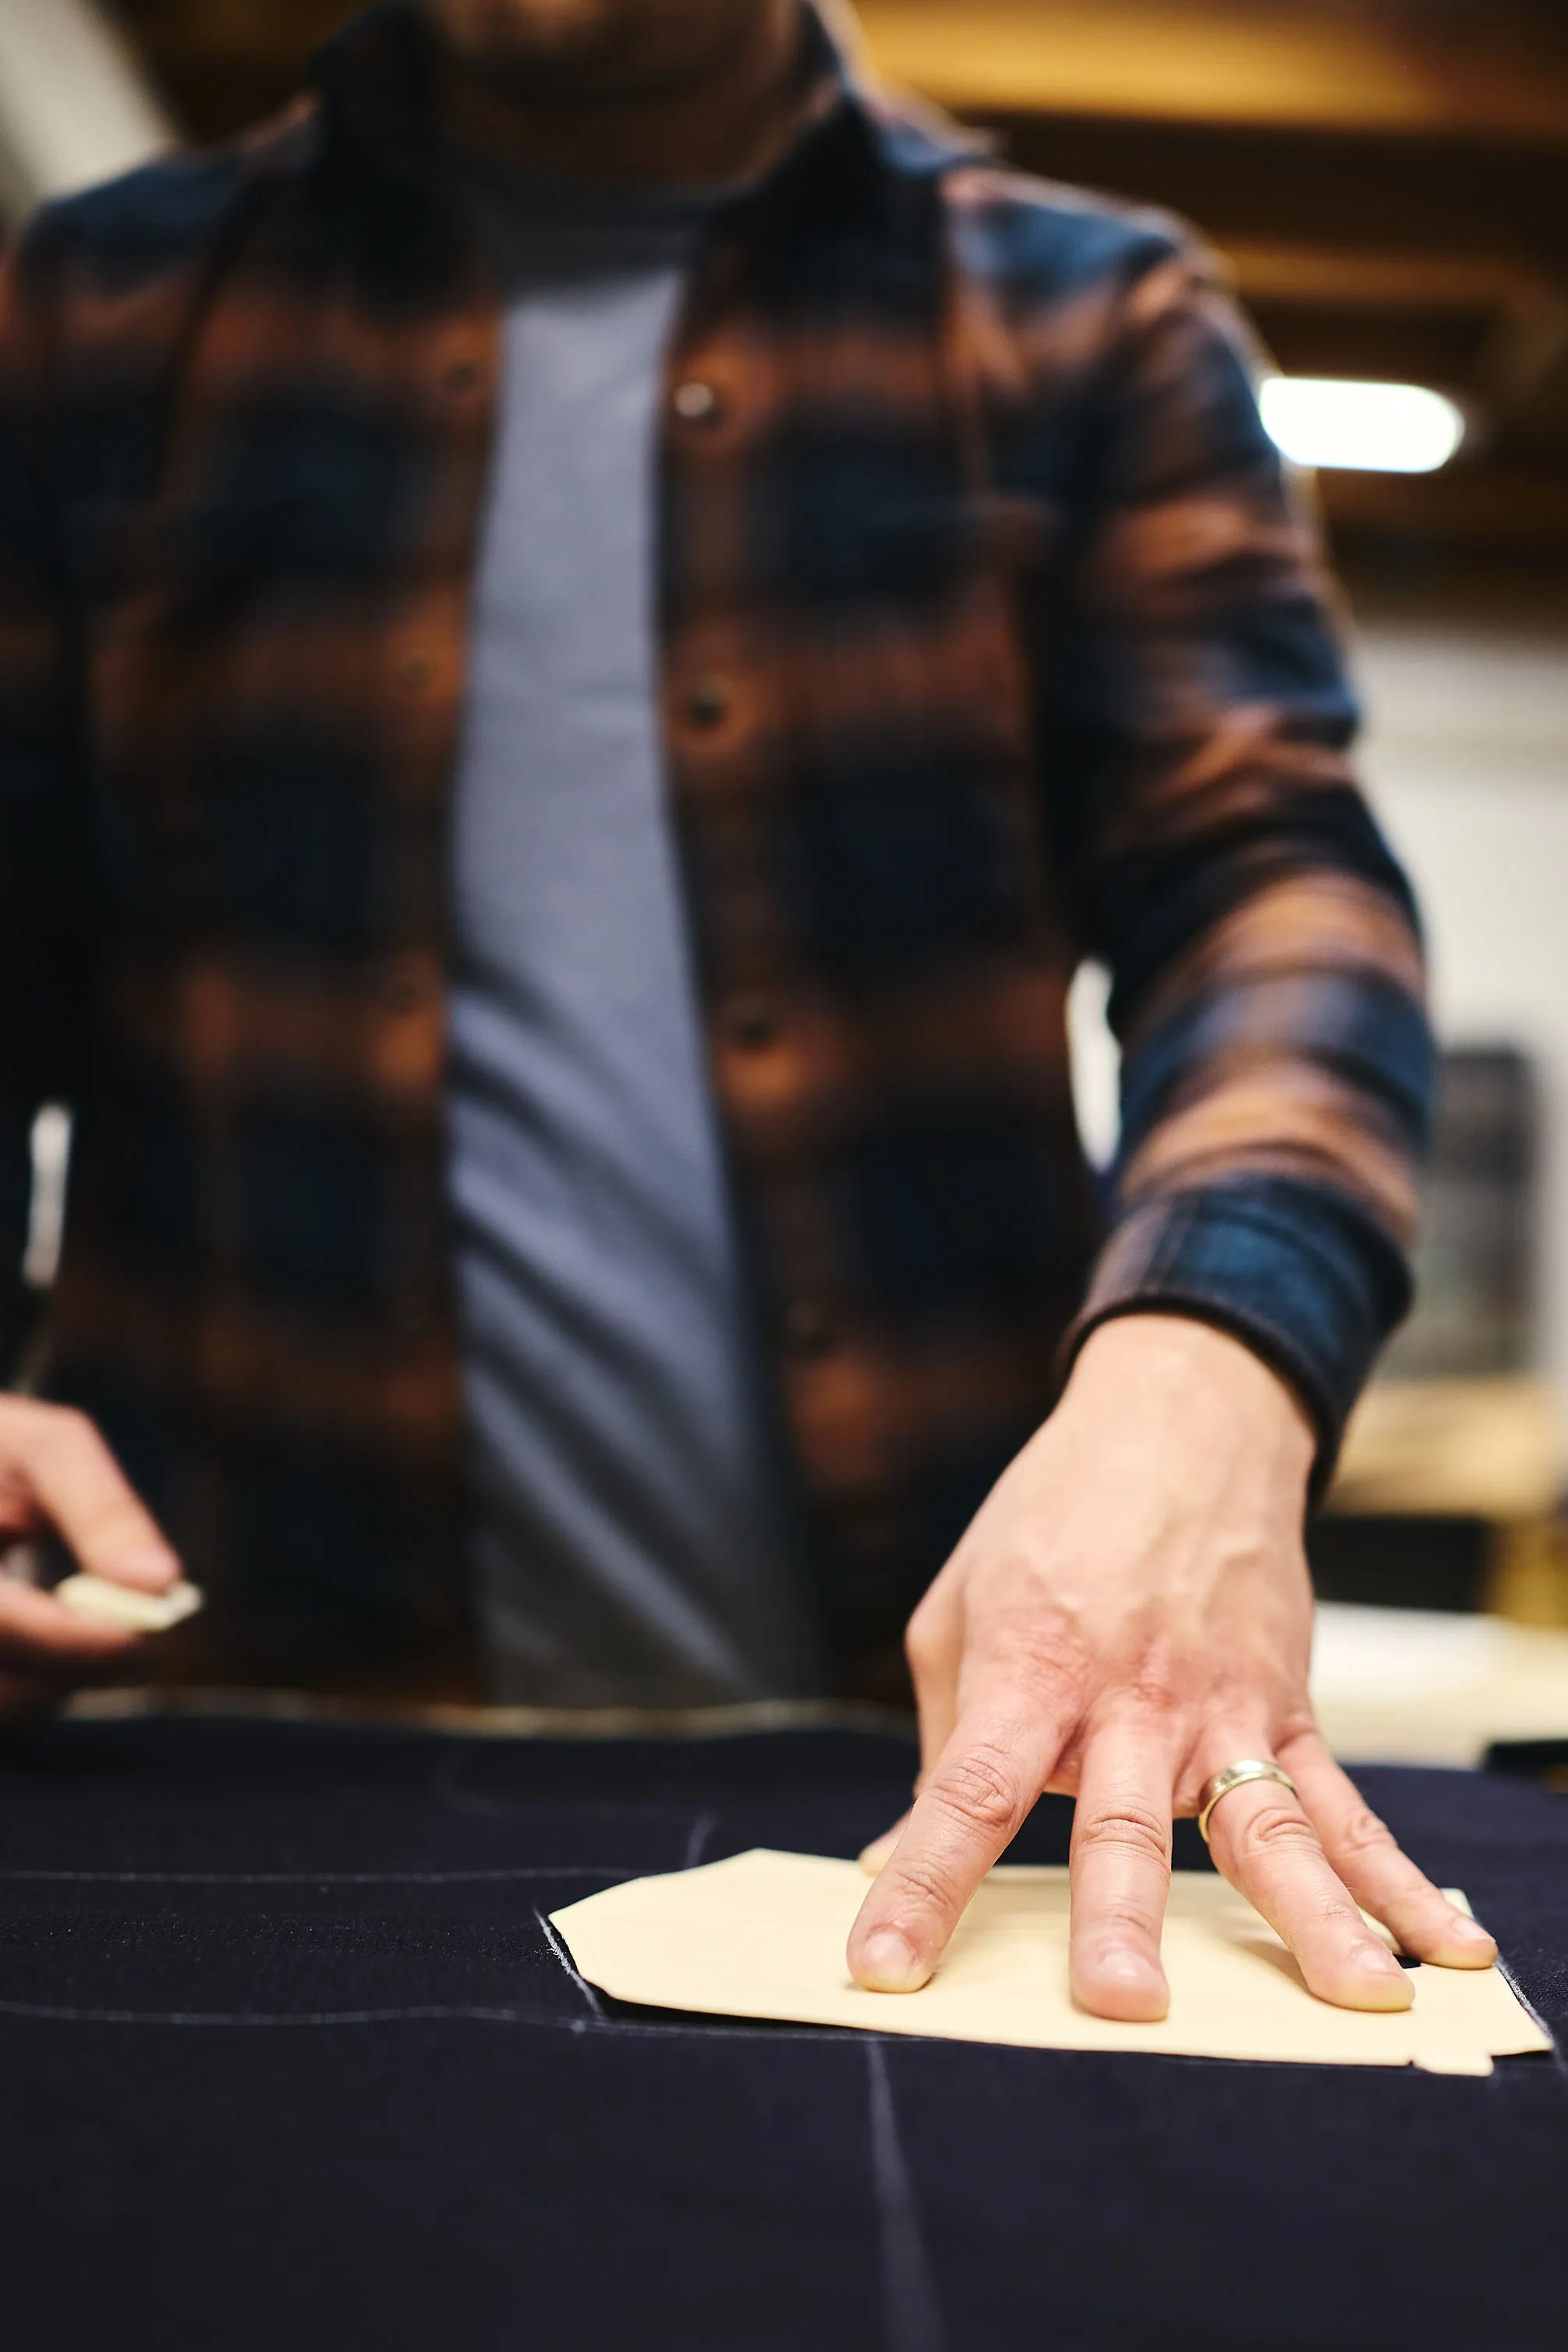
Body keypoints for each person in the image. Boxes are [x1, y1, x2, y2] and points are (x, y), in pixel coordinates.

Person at [0, 0, 1495, 2021]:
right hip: (226, 1746)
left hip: (922, 1774)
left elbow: (1269, 885)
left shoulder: (1084, 318)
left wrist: (1209, 1372)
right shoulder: (97, 309)